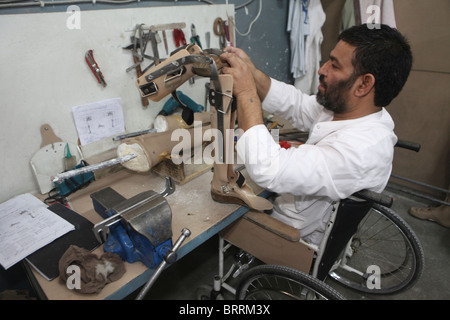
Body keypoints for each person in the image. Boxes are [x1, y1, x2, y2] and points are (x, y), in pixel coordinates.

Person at [220, 24, 413, 245]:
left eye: (335, 66)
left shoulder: (361, 150)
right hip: (295, 205)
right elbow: (297, 104)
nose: (322, 70)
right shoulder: (351, 110)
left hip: (296, 235)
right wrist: (252, 73)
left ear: (364, 84)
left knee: (222, 215)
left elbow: (268, 169)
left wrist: (245, 92)